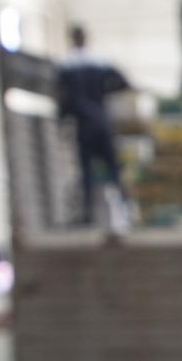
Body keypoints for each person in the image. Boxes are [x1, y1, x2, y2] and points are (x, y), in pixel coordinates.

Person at [55, 24, 129, 226]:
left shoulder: (66, 66)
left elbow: (62, 97)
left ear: (72, 39)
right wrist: (105, 92)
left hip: (84, 125)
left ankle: (87, 216)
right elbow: (123, 82)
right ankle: (126, 209)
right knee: (113, 169)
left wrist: (63, 118)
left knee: (86, 171)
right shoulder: (100, 62)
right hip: (102, 121)